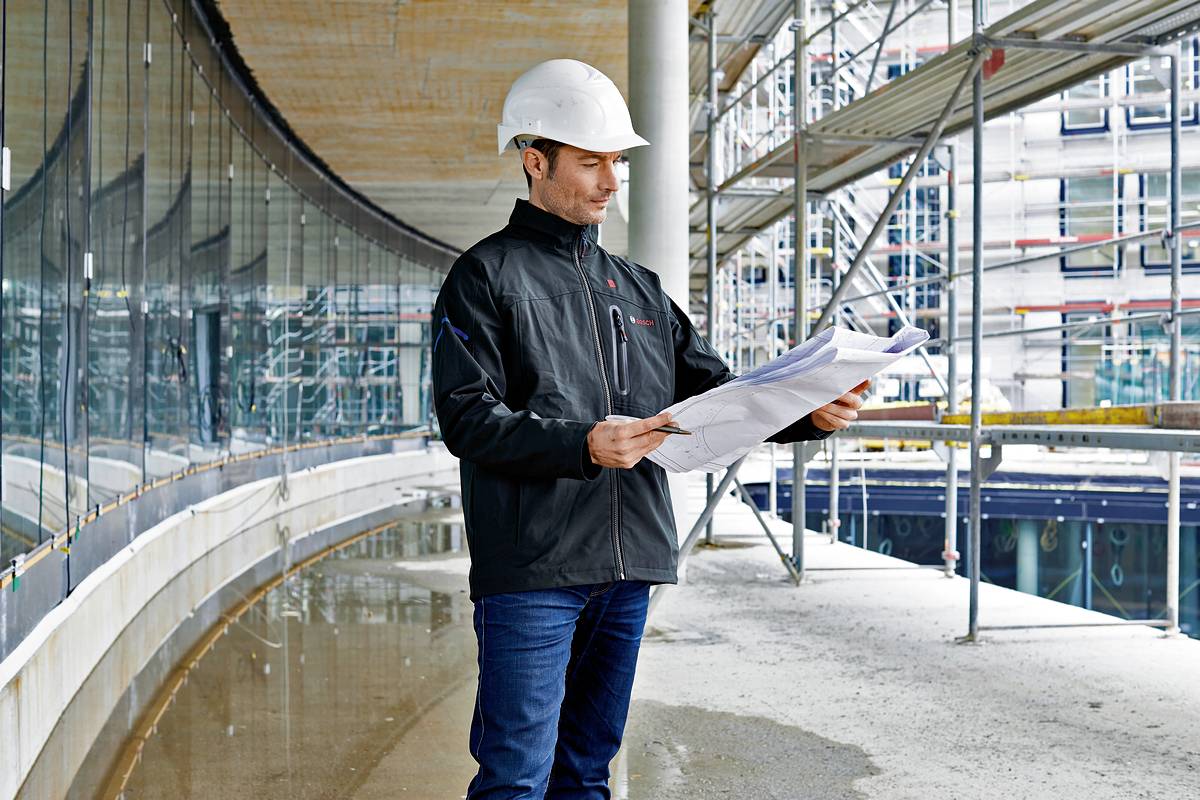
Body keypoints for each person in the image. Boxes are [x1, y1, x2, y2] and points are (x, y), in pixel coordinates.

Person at [431, 59, 866, 800]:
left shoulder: (637, 289)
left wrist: (806, 414)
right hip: (534, 571)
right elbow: (468, 419)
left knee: (588, 773)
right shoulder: (485, 277)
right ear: (536, 161)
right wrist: (581, 444)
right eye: (590, 161)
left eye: (616, 162)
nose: (609, 180)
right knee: (515, 778)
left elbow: (718, 396)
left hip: (630, 563)